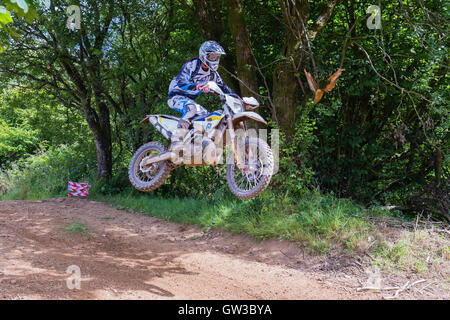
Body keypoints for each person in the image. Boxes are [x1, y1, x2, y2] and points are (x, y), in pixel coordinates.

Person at [167, 41, 236, 151]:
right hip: (176, 96)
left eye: (217, 57)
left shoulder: (212, 74)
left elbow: (225, 88)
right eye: (212, 56)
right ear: (204, 55)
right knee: (192, 109)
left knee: (206, 117)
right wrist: (198, 86)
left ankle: (195, 145)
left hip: (189, 99)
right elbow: (181, 82)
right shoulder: (192, 65)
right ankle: (177, 141)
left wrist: (240, 100)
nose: (215, 59)